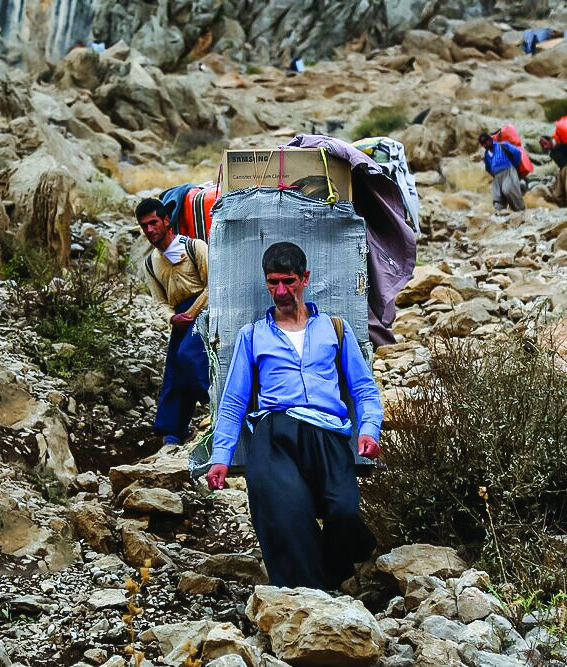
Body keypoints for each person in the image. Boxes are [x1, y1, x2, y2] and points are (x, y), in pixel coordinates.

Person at [205, 242, 383, 590]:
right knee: (287, 516)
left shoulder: (334, 328)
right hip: (275, 435)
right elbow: (234, 401)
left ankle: (337, 566)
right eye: (273, 283)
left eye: (288, 281)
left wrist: (369, 430)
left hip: (328, 434)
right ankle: (308, 596)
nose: (281, 291)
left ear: (305, 278)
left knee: (344, 512)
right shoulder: (253, 335)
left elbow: (363, 389)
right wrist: (221, 457)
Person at [137, 198, 210, 447]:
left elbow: (214, 284)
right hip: (179, 318)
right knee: (176, 371)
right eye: (144, 226)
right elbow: (159, 301)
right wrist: (172, 318)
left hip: (204, 311)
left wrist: (192, 312)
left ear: (166, 221)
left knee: (189, 356)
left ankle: (216, 406)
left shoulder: (195, 247)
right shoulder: (150, 263)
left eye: (153, 223)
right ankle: (174, 430)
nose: (149, 230)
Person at [479, 132, 526, 213]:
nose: (485, 144)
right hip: (496, 177)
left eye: (486, 141)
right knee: (497, 198)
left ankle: (520, 211)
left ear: (490, 140)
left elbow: (517, 153)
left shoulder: (502, 145)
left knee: (508, 190)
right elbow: (488, 168)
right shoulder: (486, 154)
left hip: (508, 171)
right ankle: (502, 215)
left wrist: (513, 165)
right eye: (483, 143)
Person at [539, 135, 567, 208]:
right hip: (562, 169)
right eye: (543, 146)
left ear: (549, 140)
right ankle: (566, 208)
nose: (545, 147)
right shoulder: (552, 153)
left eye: (545, 143)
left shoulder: (561, 145)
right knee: (556, 193)